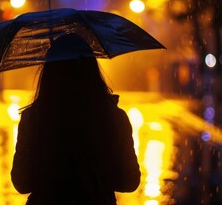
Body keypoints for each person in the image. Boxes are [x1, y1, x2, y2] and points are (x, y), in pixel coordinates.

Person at [11, 34, 140, 205]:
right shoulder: (113, 117)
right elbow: (129, 181)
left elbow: (22, 183)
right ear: (92, 70)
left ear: (49, 73)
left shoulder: (34, 118)